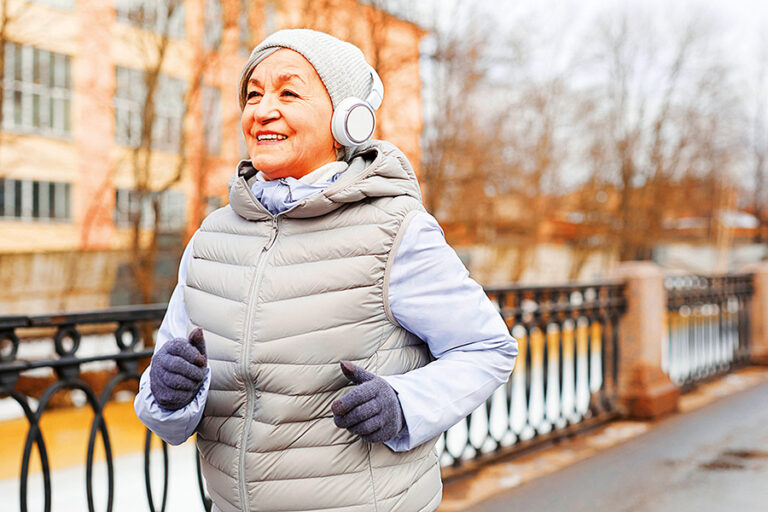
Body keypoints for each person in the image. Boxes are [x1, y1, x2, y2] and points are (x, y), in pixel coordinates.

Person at [135, 29, 517, 512]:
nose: (262, 109)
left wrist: (403, 405)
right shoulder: (212, 238)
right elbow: (166, 411)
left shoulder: (395, 230)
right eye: (253, 94)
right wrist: (168, 393)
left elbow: (487, 348)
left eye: (288, 92)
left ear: (346, 120)